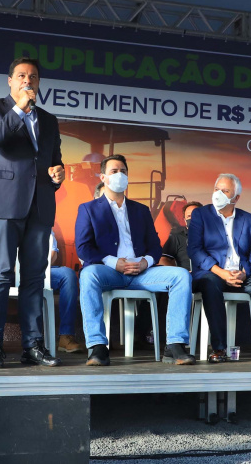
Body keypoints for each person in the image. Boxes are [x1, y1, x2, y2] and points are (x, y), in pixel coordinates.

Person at [0, 57, 64, 368]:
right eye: (22, 76)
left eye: (34, 77)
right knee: (0, 273)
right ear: (11, 81)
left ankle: (33, 346)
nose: (28, 81)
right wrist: (19, 109)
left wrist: (58, 174)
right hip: (4, 204)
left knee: (34, 277)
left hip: (40, 206)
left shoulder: (49, 120)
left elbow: (54, 159)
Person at [75, 155, 195, 366]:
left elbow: (155, 246)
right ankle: (97, 347)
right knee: (88, 275)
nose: (119, 175)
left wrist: (145, 262)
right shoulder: (88, 209)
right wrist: (114, 262)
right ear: (103, 177)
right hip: (110, 271)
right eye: (114, 171)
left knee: (181, 276)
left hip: (142, 273)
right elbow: (83, 248)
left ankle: (175, 345)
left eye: (123, 171)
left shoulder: (141, 210)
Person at [188, 174, 251, 364]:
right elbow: (194, 250)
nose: (218, 194)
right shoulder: (201, 215)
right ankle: (219, 348)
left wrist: (244, 273)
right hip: (212, 273)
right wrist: (221, 272)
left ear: (236, 197)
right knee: (210, 283)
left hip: (241, 274)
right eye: (216, 189)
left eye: (225, 191)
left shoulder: (248, 219)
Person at [0, 223, 86, 353]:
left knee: (68, 275)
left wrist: (33, 269)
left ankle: (66, 336)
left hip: (36, 270)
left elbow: (52, 252)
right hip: (7, 271)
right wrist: (14, 268)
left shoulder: (39, 217)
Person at [160, 201, 203, 270]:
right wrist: (181, 273)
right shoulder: (176, 237)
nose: (192, 218)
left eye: (195, 215)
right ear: (185, 220)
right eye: (189, 216)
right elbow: (163, 260)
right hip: (188, 275)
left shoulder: (214, 235)